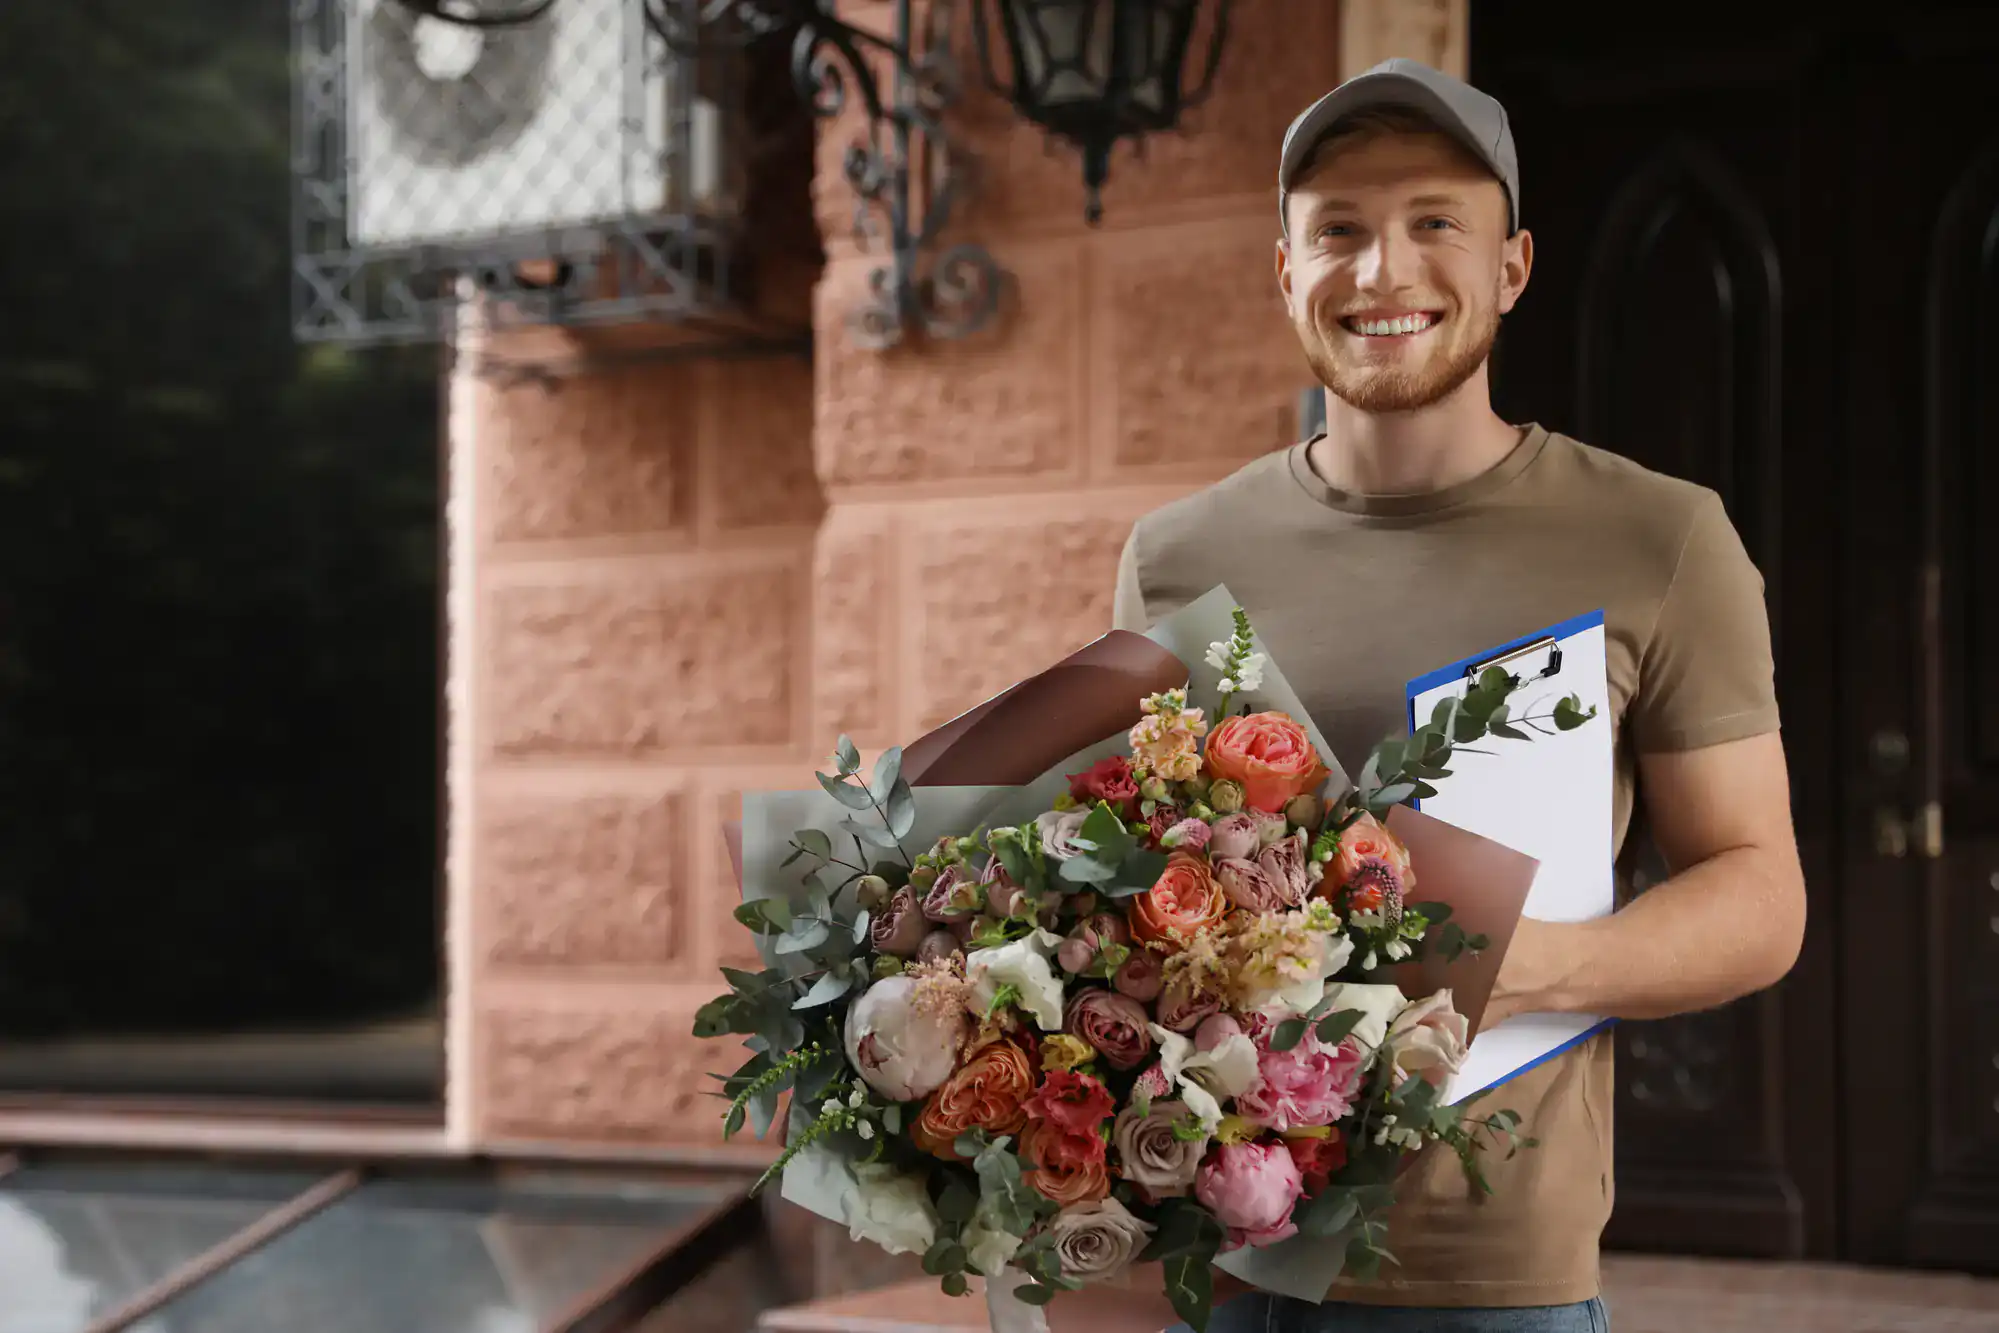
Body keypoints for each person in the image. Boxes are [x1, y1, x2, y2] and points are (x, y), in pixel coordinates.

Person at [1104, 58, 1807, 1333]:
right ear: (1285, 272)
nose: (1381, 272)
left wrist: (1534, 964)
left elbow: (1760, 896)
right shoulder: (1177, 556)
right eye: (1338, 231)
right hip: (1227, 1255)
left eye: (1434, 221)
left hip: (1494, 1284)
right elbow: (1126, 876)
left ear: (1511, 267)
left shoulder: (1661, 538)